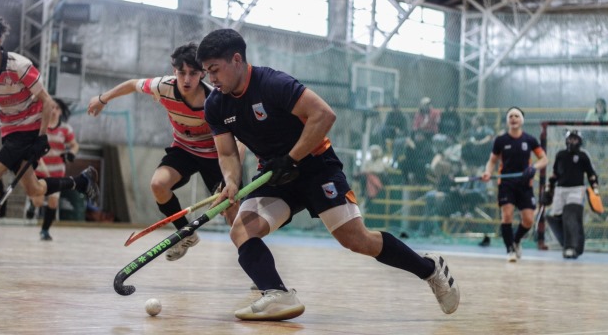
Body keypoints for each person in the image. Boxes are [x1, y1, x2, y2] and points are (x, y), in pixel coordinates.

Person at [197, 28, 459, 321]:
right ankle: (277, 294)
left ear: (236, 60)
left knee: (356, 240)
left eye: (215, 70)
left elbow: (324, 114)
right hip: (274, 176)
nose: (211, 79)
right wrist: (231, 182)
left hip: (316, 167)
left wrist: (292, 158)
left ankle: (430, 269)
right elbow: (228, 153)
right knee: (242, 230)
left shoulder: (273, 83)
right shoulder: (216, 105)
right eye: (207, 72)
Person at [0, 16, 99, 263]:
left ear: (1, 40)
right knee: (35, 189)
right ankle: (81, 182)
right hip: (9, 131)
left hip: (29, 129)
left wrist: (42, 136)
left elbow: (47, 102)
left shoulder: (19, 65)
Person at [87, 43, 226, 261]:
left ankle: (260, 272)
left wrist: (232, 176)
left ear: (203, 74)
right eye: (182, 72)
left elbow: (237, 136)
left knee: (232, 213)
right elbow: (133, 84)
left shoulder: (215, 99)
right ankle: (186, 234)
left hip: (215, 154)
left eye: (193, 73)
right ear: (174, 71)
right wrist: (103, 98)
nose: (187, 79)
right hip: (184, 149)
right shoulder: (163, 86)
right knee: (158, 185)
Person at [481, 107, 548, 262]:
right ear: (507, 120)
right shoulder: (501, 140)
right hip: (506, 184)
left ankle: (516, 240)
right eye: (510, 116)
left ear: (521, 120)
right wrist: (487, 172)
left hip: (525, 184)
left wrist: (533, 168)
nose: (513, 118)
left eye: (516, 116)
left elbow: (544, 159)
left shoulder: (530, 140)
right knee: (507, 215)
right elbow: (492, 161)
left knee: (528, 220)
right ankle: (510, 249)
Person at [28, 97, 79, 241]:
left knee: (53, 202)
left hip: (57, 171)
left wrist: (71, 154)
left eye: (57, 108)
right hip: (40, 170)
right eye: (52, 107)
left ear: (61, 111)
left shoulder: (65, 129)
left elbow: (75, 145)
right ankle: (33, 205)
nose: (54, 111)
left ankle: (44, 230)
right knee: (38, 201)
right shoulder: (40, 127)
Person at [542, 130, 599, 259]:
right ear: (566, 140)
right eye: (570, 139)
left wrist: (595, 188)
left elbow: (591, 174)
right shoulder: (560, 155)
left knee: (571, 215)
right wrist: (548, 189)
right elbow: (554, 174)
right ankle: (569, 243)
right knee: (555, 217)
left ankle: (572, 247)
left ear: (579, 141)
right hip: (560, 189)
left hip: (576, 190)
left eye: (575, 139)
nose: (572, 142)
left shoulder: (583, 156)